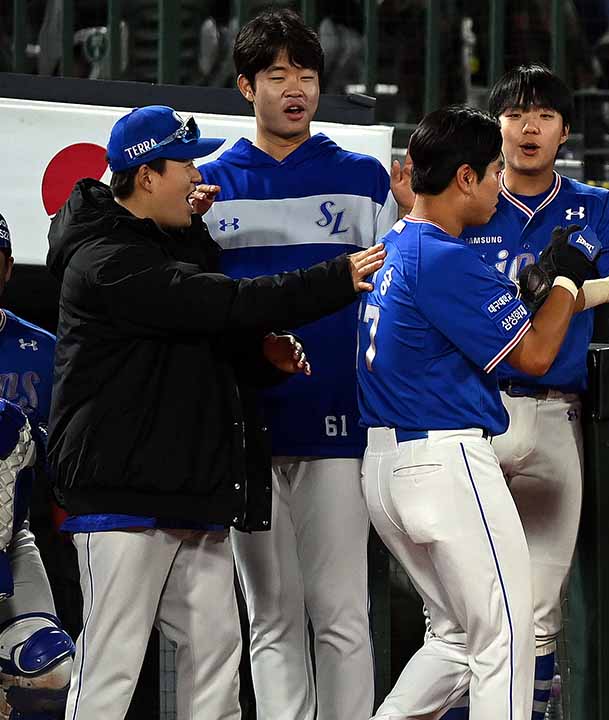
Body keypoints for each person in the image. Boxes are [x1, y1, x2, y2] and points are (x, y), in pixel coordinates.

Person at [45, 105, 385, 720]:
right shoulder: (105, 257)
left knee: (215, 660)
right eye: (184, 164)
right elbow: (218, 303)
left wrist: (261, 359)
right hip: (121, 495)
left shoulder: (166, 240)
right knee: (110, 670)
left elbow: (202, 344)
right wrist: (333, 278)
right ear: (147, 175)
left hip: (186, 491)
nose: (197, 177)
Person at [357, 104, 609, 720]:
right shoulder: (444, 256)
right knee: (508, 636)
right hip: (444, 460)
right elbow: (538, 354)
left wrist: (598, 287)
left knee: (457, 638)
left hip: (387, 463)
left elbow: (519, 305)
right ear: (464, 177)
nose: (500, 182)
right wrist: (568, 278)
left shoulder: (401, 244)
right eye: (492, 171)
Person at [196, 10, 409, 719]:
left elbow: (394, 300)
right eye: (279, 75)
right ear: (245, 86)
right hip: (245, 433)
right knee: (271, 618)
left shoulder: (363, 178)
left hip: (339, 427)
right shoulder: (207, 187)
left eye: (308, 76)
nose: (296, 89)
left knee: (342, 612)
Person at [452, 63, 609, 719]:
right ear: (495, 126)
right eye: (516, 114)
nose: (529, 127)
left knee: (541, 611)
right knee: (464, 610)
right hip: (473, 412)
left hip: (555, 413)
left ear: (565, 131)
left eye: (544, 116)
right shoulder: (469, 201)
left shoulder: (595, 208)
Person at [0, 214, 76, 720]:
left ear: (8, 268)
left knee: (49, 669)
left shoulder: (42, 350)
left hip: (13, 536)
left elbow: (66, 455)